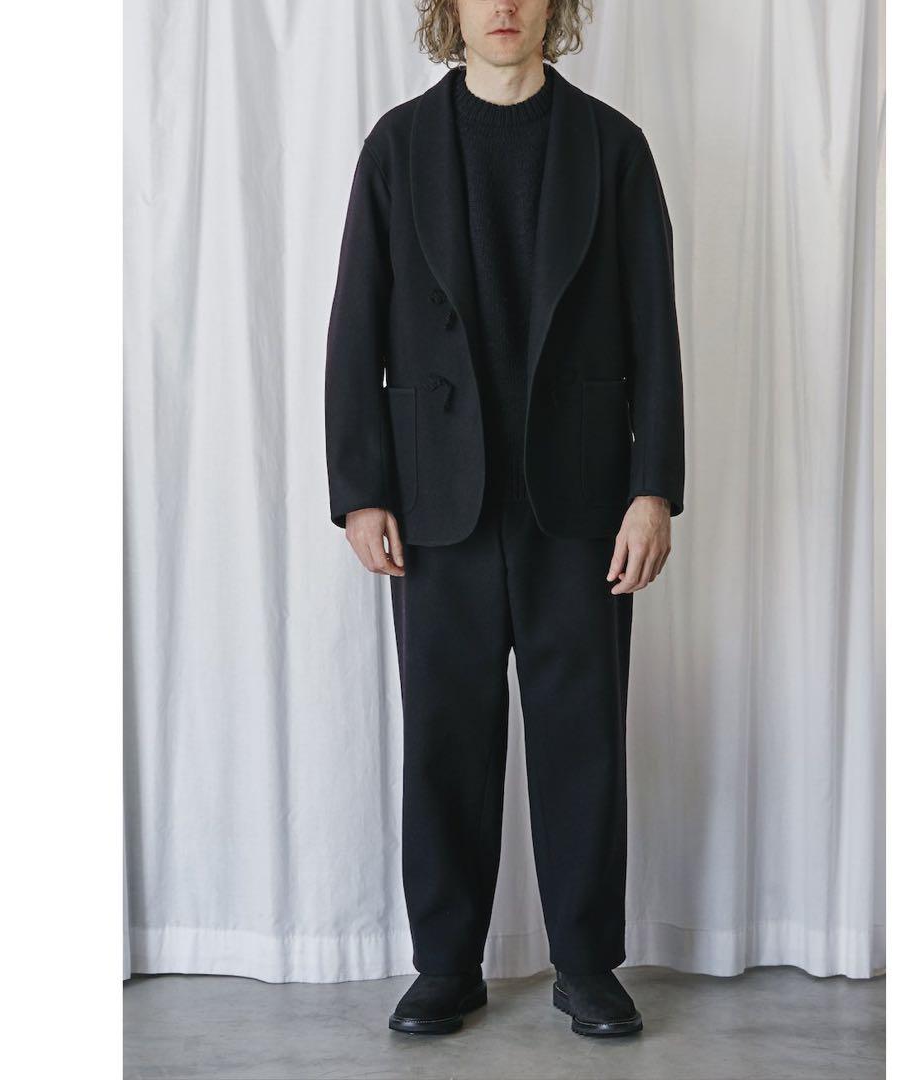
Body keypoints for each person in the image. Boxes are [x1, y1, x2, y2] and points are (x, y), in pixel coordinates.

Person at [325, 0, 684, 1038]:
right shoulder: (398, 147)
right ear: (448, 8)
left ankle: (586, 966)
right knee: (445, 738)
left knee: (582, 739)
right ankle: (446, 966)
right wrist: (361, 488)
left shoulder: (613, 148)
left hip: (580, 501)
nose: (504, 6)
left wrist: (653, 487)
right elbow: (356, 321)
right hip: (437, 501)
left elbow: (655, 326)